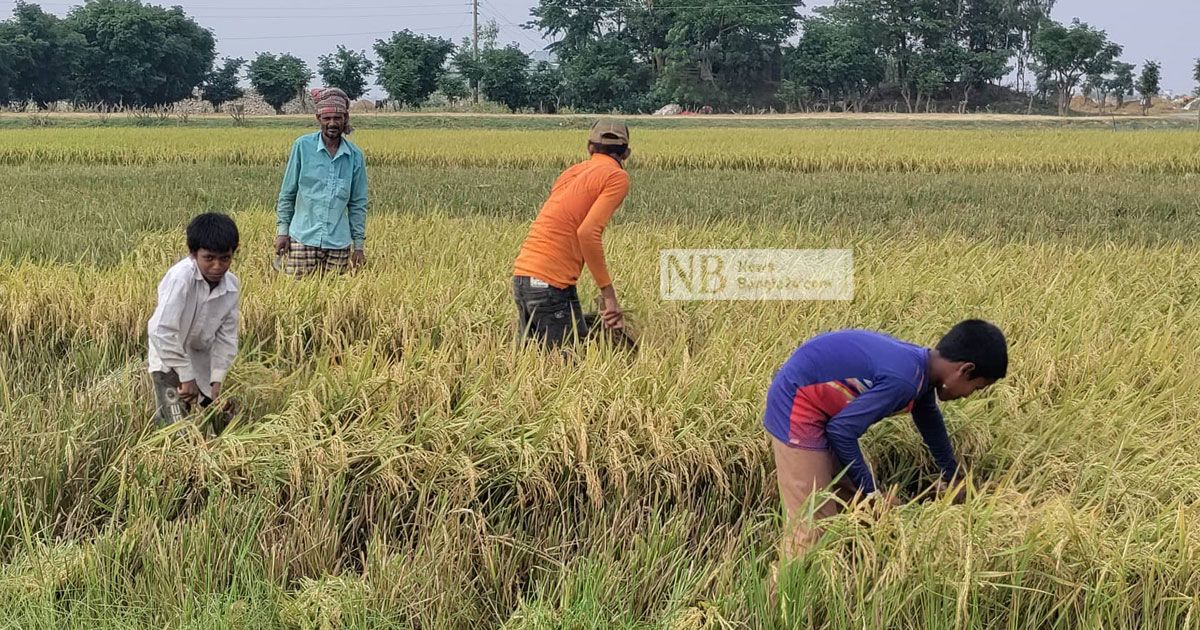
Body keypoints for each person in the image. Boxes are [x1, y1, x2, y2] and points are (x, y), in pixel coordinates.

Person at [764, 320, 1008, 561]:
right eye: (975, 388)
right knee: (813, 530)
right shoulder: (905, 379)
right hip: (797, 407)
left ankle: (853, 575)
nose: (967, 396)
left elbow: (929, 420)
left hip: (821, 411)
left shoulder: (921, 369)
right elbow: (842, 431)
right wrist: (871, 493)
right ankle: (776, 599)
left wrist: (953, 476)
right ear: (965, 370)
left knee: (856, 507)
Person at [512, 119, 632, 348]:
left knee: (539, 364)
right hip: (549, 284)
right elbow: (587, 233)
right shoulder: (616, 176)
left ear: (590, 148)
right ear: (626, 153)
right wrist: (608, 295)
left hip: (524, 278)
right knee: (567, 368)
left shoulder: (572, 172)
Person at [147, 213, 240, 427]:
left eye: (224, 258)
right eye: (209, 258)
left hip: (201, 358)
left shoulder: (231, 286)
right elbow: (160, 330)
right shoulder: (181, 279)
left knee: (219, 414)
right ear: (193, 254)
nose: (217, 266)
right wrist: (185, 375)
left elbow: (227, 336)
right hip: (169, 356)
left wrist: (218, 377)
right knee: (174, 422)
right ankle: (166, 453)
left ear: (233, 253)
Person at [275, 87, 368, 277]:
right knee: (295, 298)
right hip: (302, 238)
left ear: (345, 119)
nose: (332, 123)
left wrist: (358, 246)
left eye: (337, 118)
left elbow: (358, 204)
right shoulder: (302, 147)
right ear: (318, 119)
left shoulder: (355, 156)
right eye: (327, 118)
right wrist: (282, 232)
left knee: (334, 301)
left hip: (338, 244)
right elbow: (288, 193)